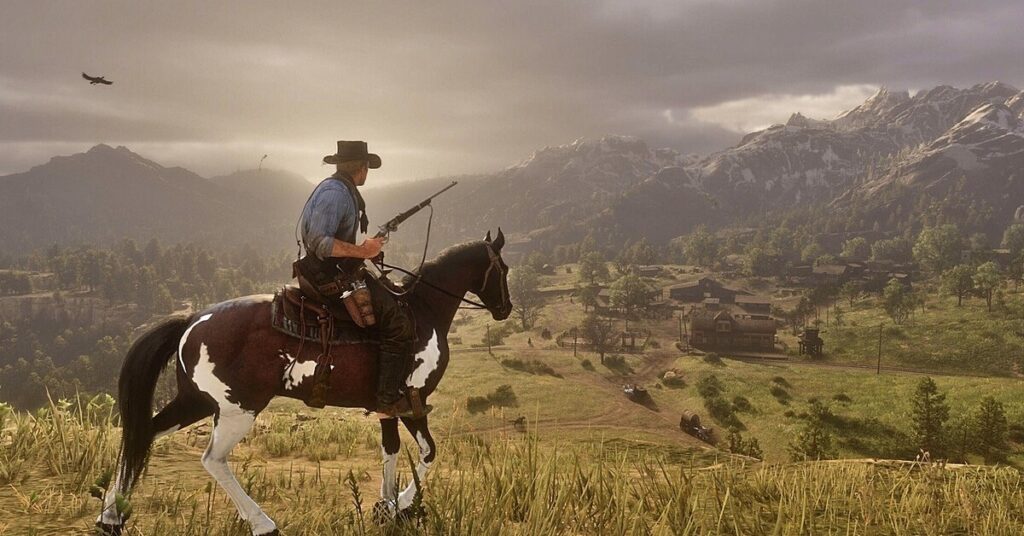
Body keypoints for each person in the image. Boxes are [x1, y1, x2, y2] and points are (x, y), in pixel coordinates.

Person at [295, 140, 417, 419]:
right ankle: (387, 399)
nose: (367, 173)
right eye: (367, 168)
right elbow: (320, 242)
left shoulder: (338, 189)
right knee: (398, 324)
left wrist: (363, 252)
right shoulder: (335, 194)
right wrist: (362, 251)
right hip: (327, 273)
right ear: (361, 169)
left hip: (335, 268)